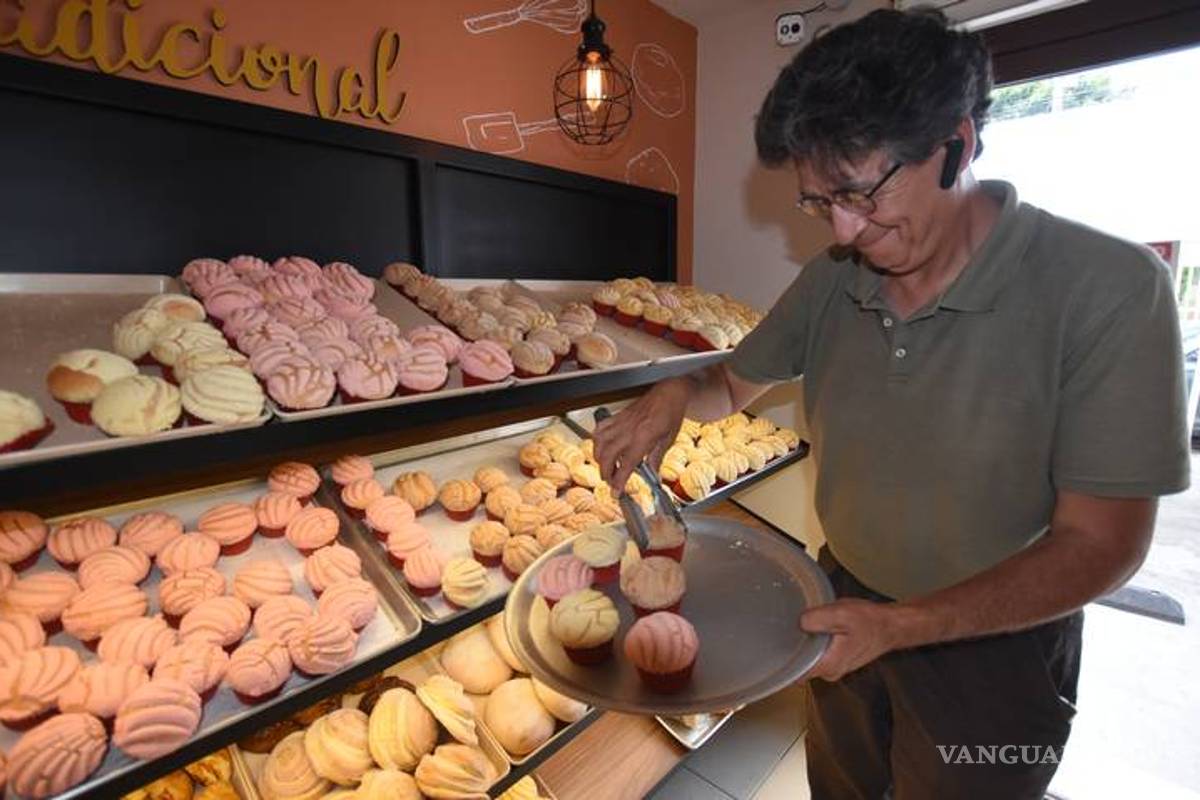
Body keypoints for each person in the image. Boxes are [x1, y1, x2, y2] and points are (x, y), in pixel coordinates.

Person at [593, 8, 1189, 800]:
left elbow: (1103, 544)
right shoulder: (833, 278)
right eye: (818, 201)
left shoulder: (1108, 289)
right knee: (840, 786)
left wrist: (905, 627)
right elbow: (729, 385)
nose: (843, 229)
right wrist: (675, 392)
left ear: (958, 144)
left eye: (860, 192)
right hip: (844, 600)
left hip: (995, 646)